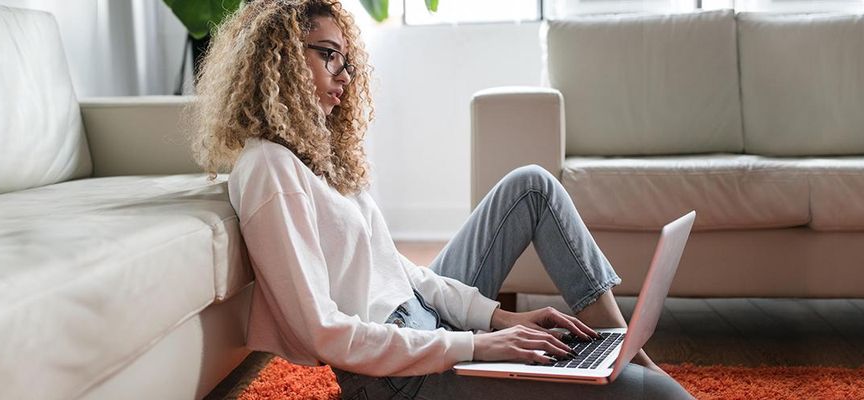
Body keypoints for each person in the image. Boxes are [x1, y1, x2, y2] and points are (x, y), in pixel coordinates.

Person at [192, 0, 693, 398]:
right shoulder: (268, 168)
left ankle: (620, 344)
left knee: (532, 185)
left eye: (346, 59)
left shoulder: (321, 159)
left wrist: (498, 319)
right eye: (328, 54)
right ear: (278, 59)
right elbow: (323, 333)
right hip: (396, 377)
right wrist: (476, 345)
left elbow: (400, 271)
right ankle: (625, 367)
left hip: (430, 329)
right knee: (650, 395)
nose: (344, 75)